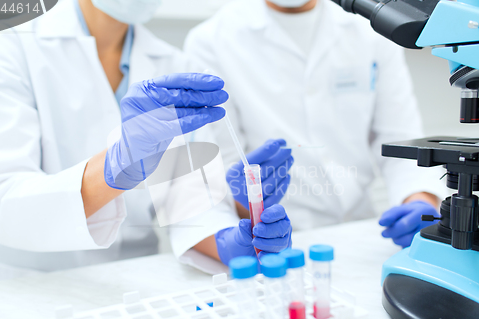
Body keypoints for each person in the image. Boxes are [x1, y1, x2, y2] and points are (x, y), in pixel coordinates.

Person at [0, 0, 292, 282]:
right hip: (25, 284)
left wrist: (228, 242)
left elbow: (186, 203)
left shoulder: (172, 64)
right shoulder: (11, 41)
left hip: (129, 281)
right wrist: (112, 169)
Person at [184, 0, 448, 247]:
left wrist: (420, 199)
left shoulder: (372, 30)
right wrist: (247, 201)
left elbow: (400, 139)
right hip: (274, 240)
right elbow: (221, 170)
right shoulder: (211, 41)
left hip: (361, 232)